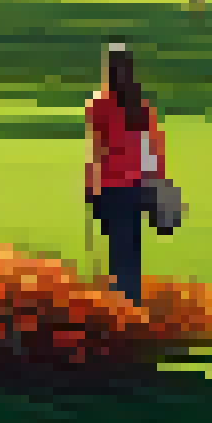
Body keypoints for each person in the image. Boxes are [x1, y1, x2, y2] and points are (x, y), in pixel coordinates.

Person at [85, 43, 170, 308]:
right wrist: (157, 181)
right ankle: (132, 304)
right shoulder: (141, 105)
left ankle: (122, 311)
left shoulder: (99, 104)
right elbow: (152, 149)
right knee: (132, 250)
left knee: (117, 251)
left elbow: (96, 151)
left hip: (111, 186)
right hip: (138, 186)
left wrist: (90, 190)